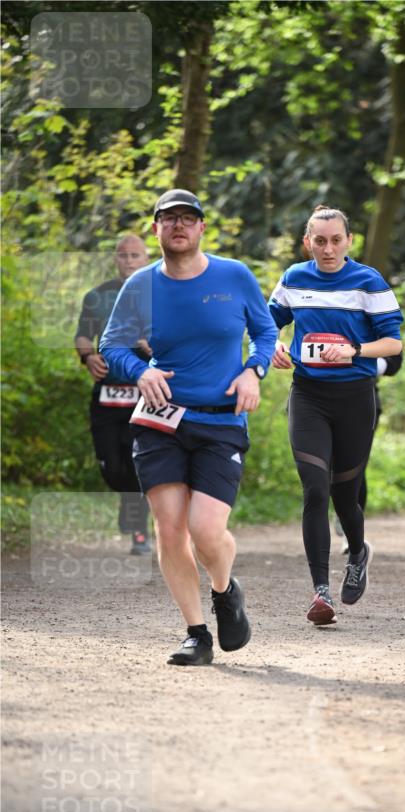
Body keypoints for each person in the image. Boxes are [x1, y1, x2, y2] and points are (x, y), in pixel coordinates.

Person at [100, 189, 277, 666]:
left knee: (206, 530)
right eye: (168, 218)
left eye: (188, 218)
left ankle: (225, 589)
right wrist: (140, 371)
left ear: (201, 228)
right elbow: (110, 345)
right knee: (171, 528)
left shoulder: (233, 275)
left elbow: (265, 332)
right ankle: (196, 633)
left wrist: (252, 371)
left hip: (220, 422)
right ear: (156, 228)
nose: (179, 225)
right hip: (160, 422)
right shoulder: (140, 285)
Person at [269, 204, 403, 626]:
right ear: (307, 241)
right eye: (319, 241)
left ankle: (358, 552)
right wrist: (271, 344)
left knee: (346, 496)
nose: (328, 249)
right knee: (314, 488)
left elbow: (394, 344)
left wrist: (354, 350)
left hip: (354, 400)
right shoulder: (294, 278)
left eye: (335, 240)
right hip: (308, 396)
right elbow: (264, 322)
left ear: (348, 241)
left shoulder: (368, 282)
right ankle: (320, 591)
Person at [74, 234, 152, 554]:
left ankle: (139, 533)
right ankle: (129, 503)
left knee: (138, 465)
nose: (130, 261)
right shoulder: (98, 296)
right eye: (124, 256)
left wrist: (153, 347)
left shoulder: (161, 294)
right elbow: (82, 337)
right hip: (106, 398)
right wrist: (88, 357)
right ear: (115, 259)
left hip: (146, 396)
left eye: (136, 255)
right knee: (112, 469)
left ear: (147, 258)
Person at [336, 349, 404, 554]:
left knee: (354, 467)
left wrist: (356, 361)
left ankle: (351, 531)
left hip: (362, 401)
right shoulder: (314, 316)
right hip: (312, 398)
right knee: (322, 466)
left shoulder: (374, 317)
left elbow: (394, 362)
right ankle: (322, 527)